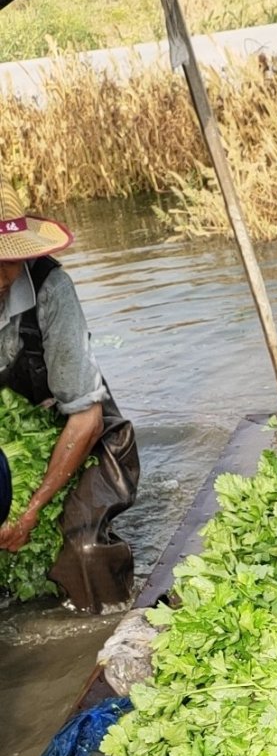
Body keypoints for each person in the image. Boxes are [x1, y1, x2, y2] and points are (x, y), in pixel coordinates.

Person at [0, 180, 139, 611]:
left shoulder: (51, 290)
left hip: (84, 431)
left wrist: (31, 510)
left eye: (6, 261)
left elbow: (86, 418)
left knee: (83, 555)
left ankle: (107, 634)